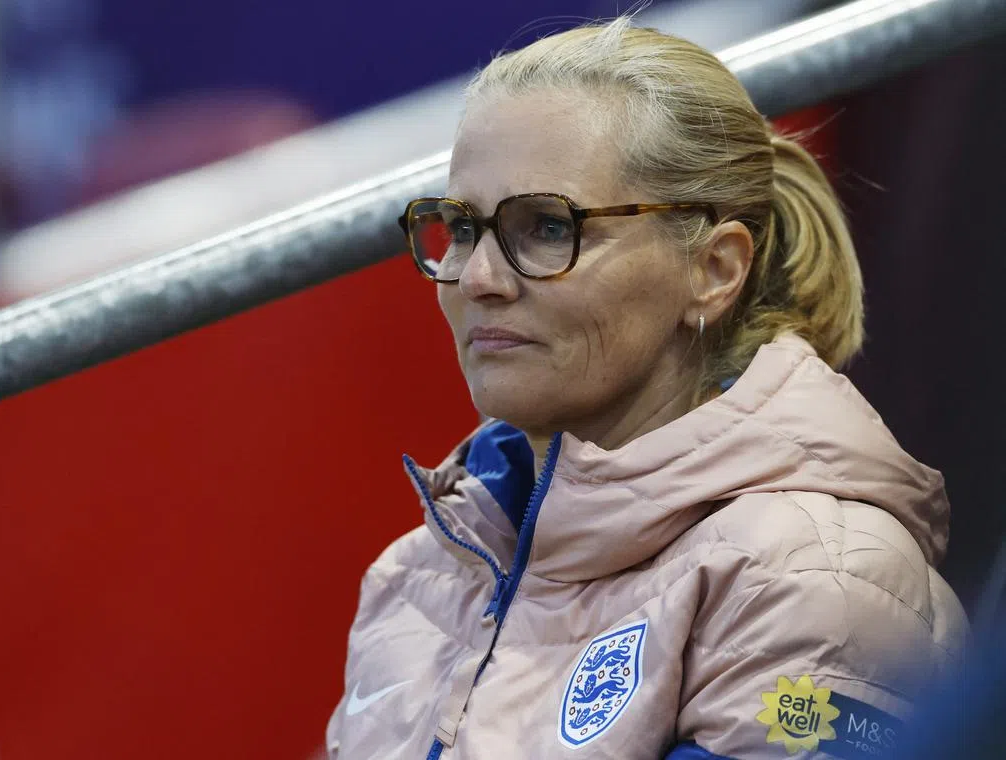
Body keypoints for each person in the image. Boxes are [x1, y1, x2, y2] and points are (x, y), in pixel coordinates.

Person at [326, 18, 966, 759]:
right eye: (462, 228)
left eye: (545, 228)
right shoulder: (421, 572)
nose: (477, 279)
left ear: (714, 270)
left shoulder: (815, 578)